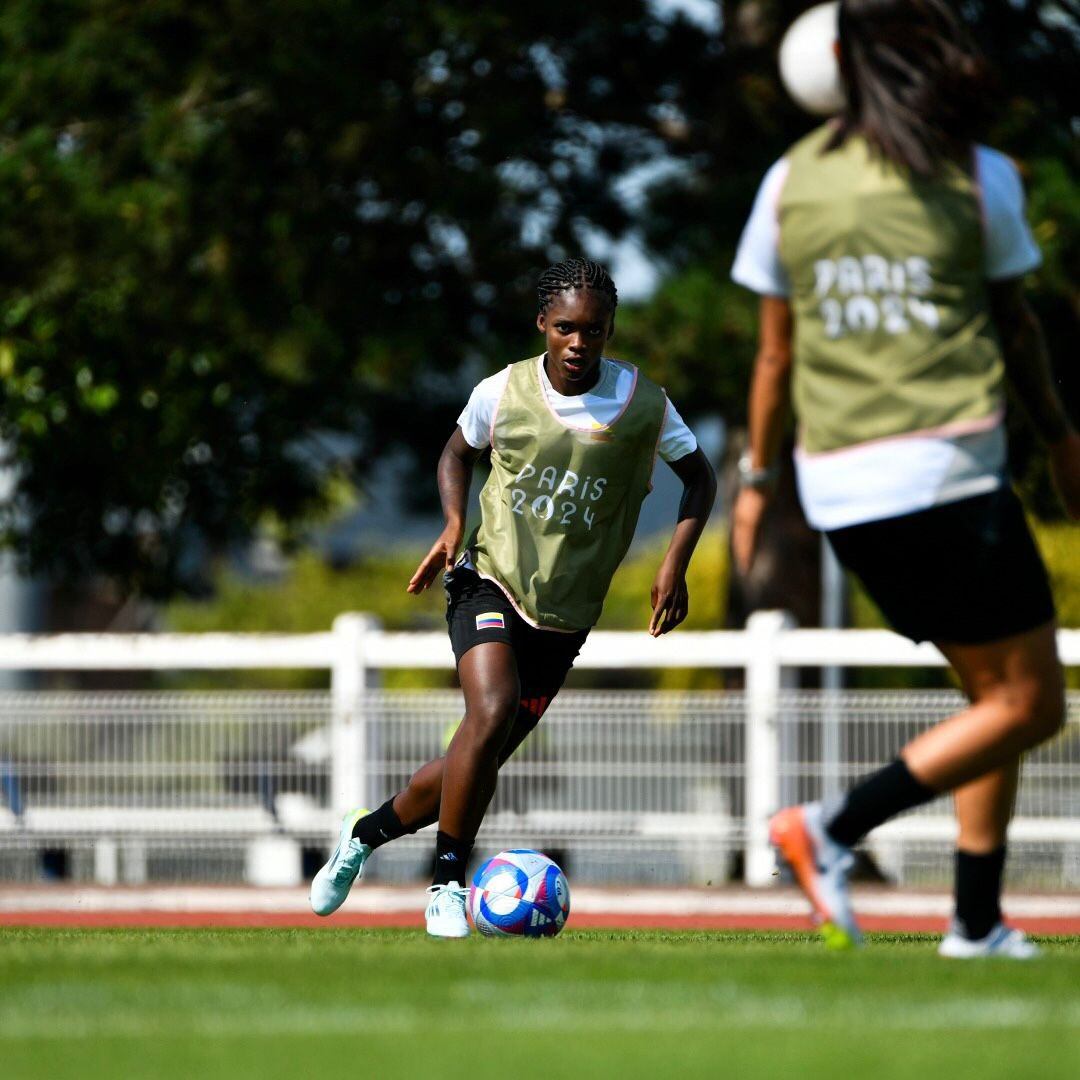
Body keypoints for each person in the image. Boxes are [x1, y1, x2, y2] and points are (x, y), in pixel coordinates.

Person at [730, 0, 1079, 956]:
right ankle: (831, 828)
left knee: (992, 702)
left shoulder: (787, 182)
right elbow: (1018, 330)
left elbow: (774, 358)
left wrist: (756, 482)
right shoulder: (980, 175)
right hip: (948, 475)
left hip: (842, 494)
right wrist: (1060, 439)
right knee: (1032, 705)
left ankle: (976, 920)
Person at [310, 257, 716, 936]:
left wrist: (675, 563)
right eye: (565, 328)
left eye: (593, 330)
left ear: (610, 330)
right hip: (488, 577)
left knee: (472, 758)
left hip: (565, 613)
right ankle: (447, 883)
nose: (579, 342)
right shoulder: (503, 391)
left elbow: (700, 478)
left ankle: (362, 835)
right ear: (542, 325)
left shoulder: (645, 406)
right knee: (491, 710)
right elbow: (455, 452)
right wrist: (452, 523)